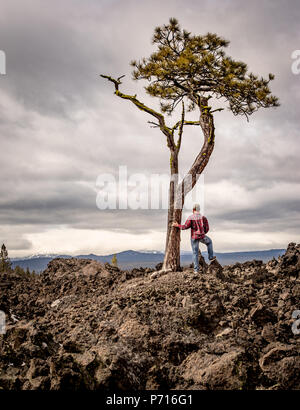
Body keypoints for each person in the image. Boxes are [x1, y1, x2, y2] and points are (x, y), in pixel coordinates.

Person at [172, 204, 216, 273]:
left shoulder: (191, 217)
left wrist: (177, 225)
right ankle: (211, 257)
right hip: (202, 236)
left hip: (194, 237)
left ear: (193, 210)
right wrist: (203, 232)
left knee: (195, 253)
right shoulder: (203, 217)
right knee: (209, 242)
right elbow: (207, 228)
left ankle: (196, 270)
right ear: (199, 210)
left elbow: (185, 227)